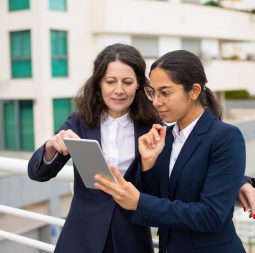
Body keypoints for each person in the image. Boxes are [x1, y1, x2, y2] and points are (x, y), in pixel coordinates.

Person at [95, 50, 254, 253]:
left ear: (194, 91)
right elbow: (157, 198)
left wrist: (139, 202)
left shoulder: (225, 137)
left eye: (165, 92)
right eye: (153, 92)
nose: (156, 102)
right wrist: (147, 163)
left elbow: (212, 215)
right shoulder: (164, 137)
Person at [28, 43, 160, 253]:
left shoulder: (153, 127)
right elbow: (38, 173)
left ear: (138, 85)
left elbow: (158, 189)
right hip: (81, 235)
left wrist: (149, 164)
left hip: (131, 237)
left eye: (127, 82)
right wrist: (51, 147)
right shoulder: (79, 122)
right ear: (99, 83)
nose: (119, 90)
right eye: (110, 82)